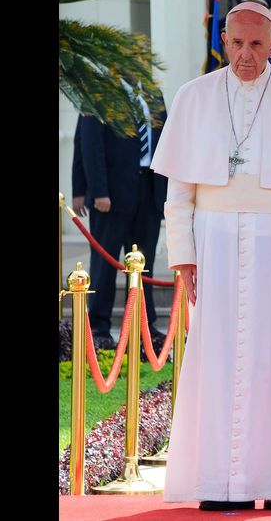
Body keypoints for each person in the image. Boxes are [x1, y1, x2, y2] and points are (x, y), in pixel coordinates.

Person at [151, 1, 271, 512]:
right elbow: (178, 193)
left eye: (256, 45)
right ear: (223, 43)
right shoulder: (193, 98)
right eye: (236, 44)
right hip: (213, 247)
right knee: (215, 363)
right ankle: (219, 485)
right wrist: (184, 256)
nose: (245, 55)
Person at [77, 83, 168, 347]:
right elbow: (89, 145)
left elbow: (167, 139)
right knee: (105, 262)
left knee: (143, 263)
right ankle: (99, 328)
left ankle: (143, 327)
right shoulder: (99, 92)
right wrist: (97, 191)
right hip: (112, 194)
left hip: (148, 189)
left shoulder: (153, 93)